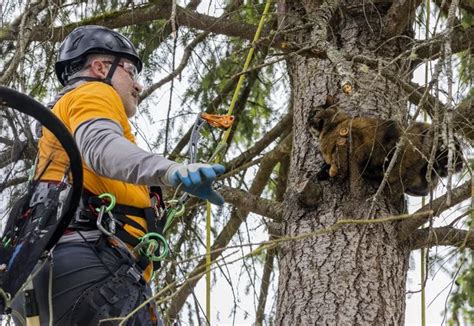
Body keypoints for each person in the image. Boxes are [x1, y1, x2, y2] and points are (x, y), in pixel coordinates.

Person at [12, 25, 225, 325]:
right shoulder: (94, 92)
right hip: (91, 266)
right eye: (130, 72)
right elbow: (101, 147)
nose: (138, 86)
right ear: (100, 68)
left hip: (51, 276)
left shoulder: (66, 111)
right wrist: (171, 170)